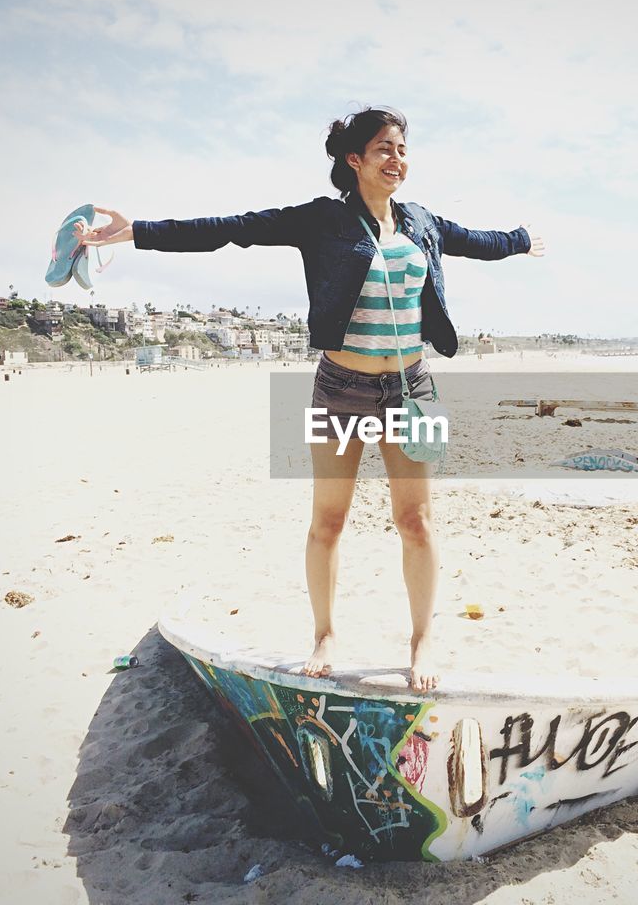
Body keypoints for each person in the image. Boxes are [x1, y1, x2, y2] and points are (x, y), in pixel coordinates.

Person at [76, 107, 545, 691]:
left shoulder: (422, 221)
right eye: (383, 149)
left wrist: (522, 240)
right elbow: (231, 228)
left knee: (417, 522)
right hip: (341, 390)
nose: (396, 158)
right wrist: (137, 231)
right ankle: (324, 633)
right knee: (328, 521)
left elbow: (479, 241)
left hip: (414, 391)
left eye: (402, 148)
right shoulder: (322, 221)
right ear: (355, 160)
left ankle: (422, 641)